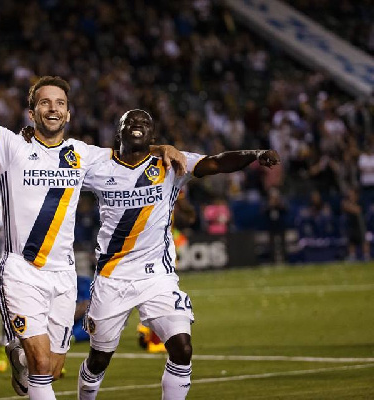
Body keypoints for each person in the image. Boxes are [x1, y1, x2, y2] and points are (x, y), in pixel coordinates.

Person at [0, 17, 185, 399]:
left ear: (68, 114)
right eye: (45, 102)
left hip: (64, 276)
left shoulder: (82, 154)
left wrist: (161, 148)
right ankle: (24, 355)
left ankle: (18, 358)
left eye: (60, 104)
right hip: (22, 271)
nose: (53, 108)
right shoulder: (11, 147)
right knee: (40, 365)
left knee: (51, 368)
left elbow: (128, 155)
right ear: (31, 112)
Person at [77, 109, 280, 400]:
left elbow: (216, 163)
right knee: (98, 360)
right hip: (113, 278)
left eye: (145, 123)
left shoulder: (171, 164)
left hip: (157, 277)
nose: (137, 125)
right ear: (118, 132)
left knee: (182, 348)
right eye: (130, 122)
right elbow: (60, 170)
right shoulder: (98, 165)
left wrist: (255, 153)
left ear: (153, 136)